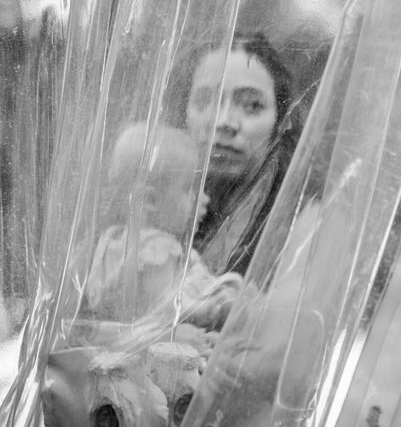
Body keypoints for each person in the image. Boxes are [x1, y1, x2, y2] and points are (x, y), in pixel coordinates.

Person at [82, 122, 242, 336]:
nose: (204, 199)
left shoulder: (111, 238)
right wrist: (208, 311)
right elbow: (165, 308)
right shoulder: (157, 248)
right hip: (153, 339)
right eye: (189, 188)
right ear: (150, 199)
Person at [169, 32, 296, 277]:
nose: (224, 121)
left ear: (280, 123)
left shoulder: (302, 222)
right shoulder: (148, 209)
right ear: (183, 113)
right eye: (206, 100)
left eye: (251, 105)